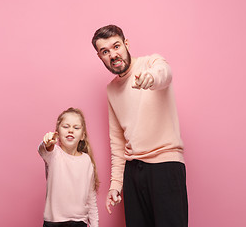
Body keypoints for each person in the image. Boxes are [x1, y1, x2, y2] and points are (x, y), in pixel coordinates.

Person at [91, 25, 188, 227]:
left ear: (126, 44)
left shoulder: (151, 63)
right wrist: (116, 184)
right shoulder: (111, 89)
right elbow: (117, 140)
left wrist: (151, 78)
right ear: (100, 57)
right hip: (133, 171)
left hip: (165, 165)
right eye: (105, 52)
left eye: (116, 46)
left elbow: (165, 73)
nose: (113, 55)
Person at [38, 107, 99, 227]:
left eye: (76, 128)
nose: (70, 130)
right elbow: (43, 150)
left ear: (82, 136)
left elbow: (91, 198)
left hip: (79, 222)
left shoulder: (87, 161)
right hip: (53, 222)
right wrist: (47, 143)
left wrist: (95, 225)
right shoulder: (54, 154)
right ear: (57, 133)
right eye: (66, 127)